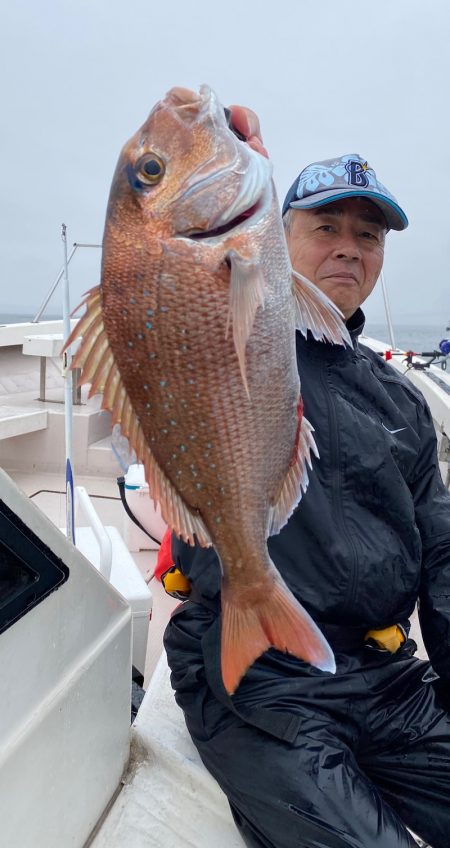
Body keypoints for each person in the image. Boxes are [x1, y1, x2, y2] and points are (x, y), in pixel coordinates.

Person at [163, 110, 450, 848]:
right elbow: (182, 274)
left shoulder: (403, 403)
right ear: (277, 237)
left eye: (369, 236)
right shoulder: (233, 335)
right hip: (259, 679)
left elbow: (443, 558)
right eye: (326, 228)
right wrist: (216, 166)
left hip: (387, 679)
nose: (350, 250)